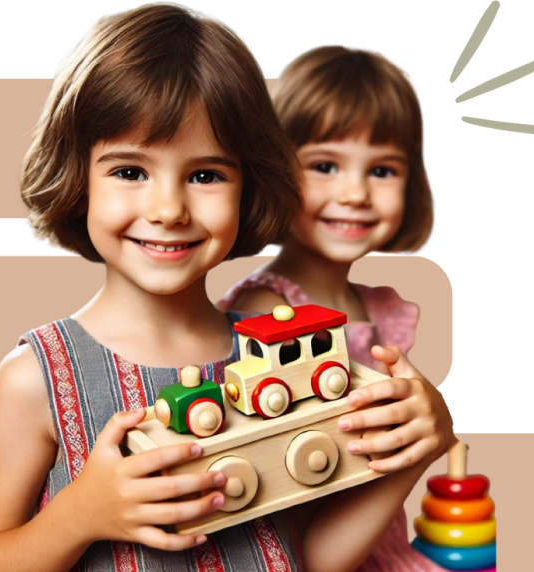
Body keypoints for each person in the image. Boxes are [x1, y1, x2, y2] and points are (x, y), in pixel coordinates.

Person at [0, 3, 305, 571]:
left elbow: (303, 555)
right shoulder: (35, 378)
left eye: (205, 175)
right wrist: (79, 515)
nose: (168, 209)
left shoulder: (270, 357)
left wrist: (418, 448)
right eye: (130, 171)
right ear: (79, 179)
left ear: (249, 187)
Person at [217, 43, 457, 571]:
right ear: (275, 170)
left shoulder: (378, 308)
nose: (355, 193)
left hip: (383, 544)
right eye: (326, 165)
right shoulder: (263, 309)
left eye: (383, 170)